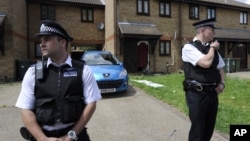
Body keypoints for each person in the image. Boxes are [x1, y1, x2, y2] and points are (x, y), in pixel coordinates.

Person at [15, 20, 102, 141]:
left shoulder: (83, 70)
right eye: (41, 40)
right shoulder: (33, 72)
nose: (41, 44)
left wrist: (71, 136)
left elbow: (91, 104)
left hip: (75, 135)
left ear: (62, 42)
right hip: (42, 136)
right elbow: (25, 109)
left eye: (47, 39)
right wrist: (42, 138)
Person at [182, 18, 225, 141]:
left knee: (208, 128)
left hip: (212, 93)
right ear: (202, 30)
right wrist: (212, 48)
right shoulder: (188, 48)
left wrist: (222, 83)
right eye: (212, 30)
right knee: (198, 129)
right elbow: (205, 63)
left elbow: (220, 68)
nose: (214, 33)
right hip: (197, 94)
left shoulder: (213, 50)